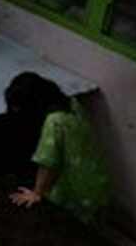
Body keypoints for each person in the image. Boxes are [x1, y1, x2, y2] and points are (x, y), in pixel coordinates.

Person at [6, 72, 112, 224]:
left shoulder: (54, 122)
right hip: (95, 180)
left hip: (76, 191)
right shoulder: (71, 104)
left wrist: (37, 193)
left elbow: (48, 162)